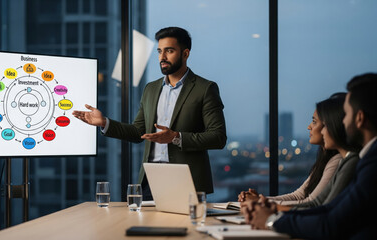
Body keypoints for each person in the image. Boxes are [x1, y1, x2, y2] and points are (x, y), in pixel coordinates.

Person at [72, 27, 227, 199]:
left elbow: (218, 137)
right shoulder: (151, 89)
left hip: (187, 181)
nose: (162, 57)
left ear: (185, 53)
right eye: (159, 51)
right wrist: (104, 123)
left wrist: (176, 137)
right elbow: (139, 133)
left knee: (183, 227)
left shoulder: (205, 89)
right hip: (149, 181)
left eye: (169, 51)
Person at [243, 73, 377, 239]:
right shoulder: (363, 159)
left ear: (360, 118)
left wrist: (271, 219)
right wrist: (270, 212)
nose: (342, 122)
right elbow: (327, 208)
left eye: (346, 114)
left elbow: (329, 220)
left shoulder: (367, 163)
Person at [238, 99, 342, 205]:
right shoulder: (324, 160)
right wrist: (260, 199)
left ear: (332, 126)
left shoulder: (336, 161)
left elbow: (311, 203)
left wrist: (261, 202)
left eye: (314, 122)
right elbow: (298, 196)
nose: (309, 127)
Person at [290, 93, 361, 210]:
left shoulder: (345, 161)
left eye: (324, 125)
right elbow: (315, 203)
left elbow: (320, 208)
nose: (309, 127)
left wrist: (270, 213)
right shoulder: (342, 161)